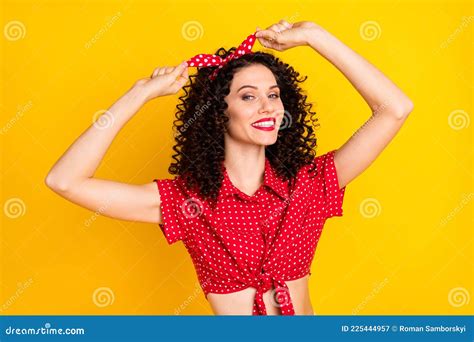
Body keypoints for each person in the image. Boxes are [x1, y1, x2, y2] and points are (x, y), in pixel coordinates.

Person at [45, 19, 414, 315]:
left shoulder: (309, 184)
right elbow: (64, 180)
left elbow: (394, 109)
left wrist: (315, 36)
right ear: (218, 114)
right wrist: (140, 92)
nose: (268, 107)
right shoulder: (185, 201)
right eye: (248, 96)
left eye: (273, 95)